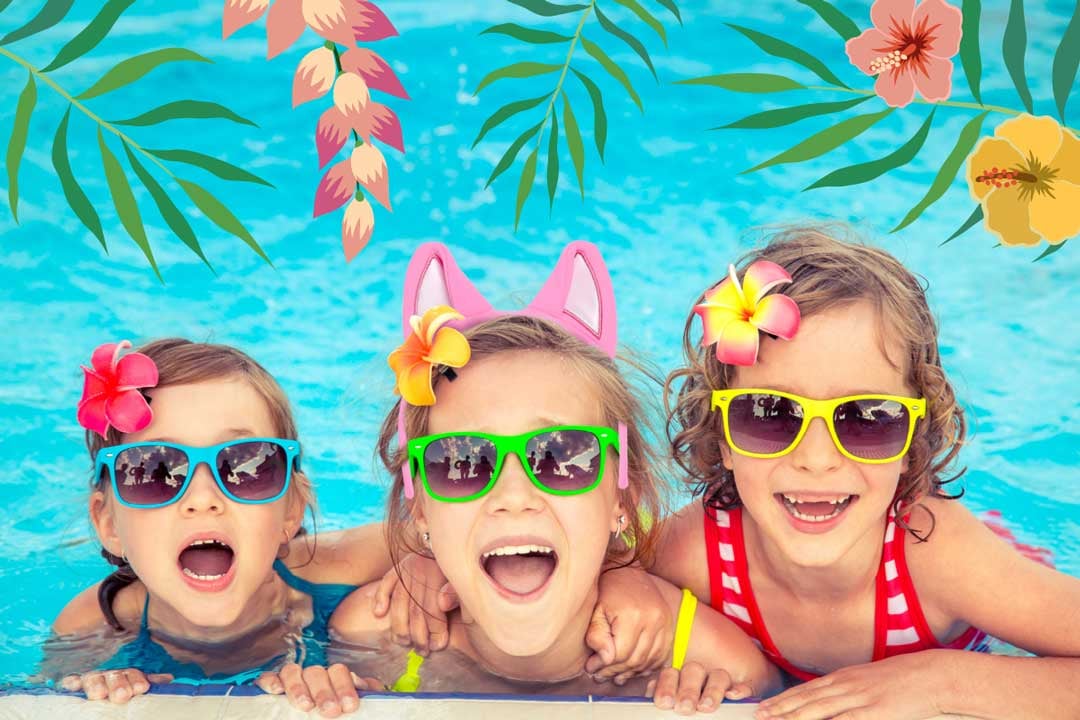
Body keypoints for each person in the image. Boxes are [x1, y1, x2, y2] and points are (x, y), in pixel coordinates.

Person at [261, 242, 780, 716]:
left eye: (562, 456)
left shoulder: (710, 658)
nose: (513, 496)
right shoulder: (377, 638)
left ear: (625, 498)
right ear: (420, 510)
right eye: (461, 462)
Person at [642, 228, 1080, 718]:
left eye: (867, 418)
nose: (816, 458)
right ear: (721, 435)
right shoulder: (695, 552)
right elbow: (589, 575)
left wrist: (943, 680)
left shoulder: (939, 557)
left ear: (913, 444)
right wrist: (638, 597)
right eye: (769, 412)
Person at [47, 339, 391, 709]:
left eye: (246, 465)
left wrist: (422, 570)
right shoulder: (90, 627)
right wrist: (100, 685)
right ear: (108, 523)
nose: (203, 499)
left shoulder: (344, 568)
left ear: (291, 510)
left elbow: (428, 535)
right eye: (155, 470)